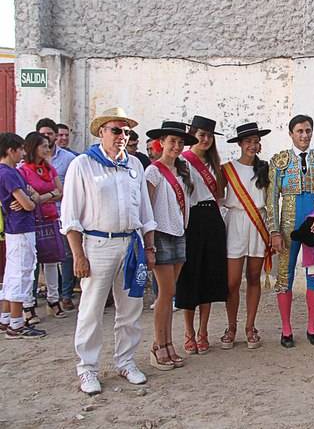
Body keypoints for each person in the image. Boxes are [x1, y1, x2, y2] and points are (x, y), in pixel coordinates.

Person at [61, 107, 156, 395]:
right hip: (98, 244)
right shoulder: (83, 165)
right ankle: (87, 368)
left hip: (131, 244)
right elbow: (71, 214)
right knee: (92, 309)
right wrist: (78, 254)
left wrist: (149, 246)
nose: (122, 137)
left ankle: (126, 361)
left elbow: (144, 210)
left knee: (130, 308)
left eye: (126, 132)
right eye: (116, 130)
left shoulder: (134, 166)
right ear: (101, 131)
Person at [267, 115, 314, 348]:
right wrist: (274, 231)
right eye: (299, 131)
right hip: (288, 227)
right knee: (285, 276)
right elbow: (271, 200)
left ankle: (312, 327)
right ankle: (286, 330)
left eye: (308, 130)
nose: (304, 135)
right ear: (291, 134)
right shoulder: (280, 161)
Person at [145, 121, 197, 370]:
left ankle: (168, 342)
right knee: (165, 293)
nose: (176, 146)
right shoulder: (153, 172)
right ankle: (158, 345)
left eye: (180, 142)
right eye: (172, 141)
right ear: (161, 143)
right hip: (161, 233)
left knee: (171, 292)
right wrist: (149, 243)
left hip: (179, 232)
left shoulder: (182, 171)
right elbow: (146, 208)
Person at [175, 116, 228, 355]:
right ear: (193, 135)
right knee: (190, 277)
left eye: (209, 136)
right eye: (201, 135)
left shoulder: (217, 165)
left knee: (208, 276)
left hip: (213, 221)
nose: (205, 140)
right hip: (191, 221)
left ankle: (203, 331)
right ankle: (188, 332)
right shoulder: (182, 162)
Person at [221, 122, 271, 349]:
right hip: (236, 223)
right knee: (231, 281)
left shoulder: (265, 169)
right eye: (248, 141)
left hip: (258, 222)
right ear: (240, 144)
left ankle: (250, 327)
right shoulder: (227, 169)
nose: (252, 145)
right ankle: (231, 326)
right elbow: (218, 197)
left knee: (253, 277)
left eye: (255, 141)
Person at [0, 132, 46, 339]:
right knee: (21, 273)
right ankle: (16, 324)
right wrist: (31, 200)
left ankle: (6, 318)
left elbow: (30, 194)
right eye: (19, 150)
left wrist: (30, 198)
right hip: (20, 228)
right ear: (11, 150)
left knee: (13, 273)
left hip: (16, 228)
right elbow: (28, 201)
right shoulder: (8, 173)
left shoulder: (10, 172)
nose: (22, 154)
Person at [19, 132, 66, 319]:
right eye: (44, 146)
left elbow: (60, 192)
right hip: (32, 220)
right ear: (34, 148)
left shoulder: (49, 169)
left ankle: (54, 299)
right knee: (31, 262)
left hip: (50, 217)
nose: (48, 149)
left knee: (52, 261)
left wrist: (43, 197)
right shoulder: (23, 170)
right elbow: (27, 194)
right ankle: (28, 304)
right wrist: (47, 196)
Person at [36, 118, 78, 312]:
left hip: (62, 213)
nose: (47, 137)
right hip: (37, 217)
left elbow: (69, 190)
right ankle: (40, 297)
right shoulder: (27, 163)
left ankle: (66, 294)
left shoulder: (69, 159)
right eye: (43, 134)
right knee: (42, 258)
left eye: (50, 134)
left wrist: (41, 197)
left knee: (66, 256)